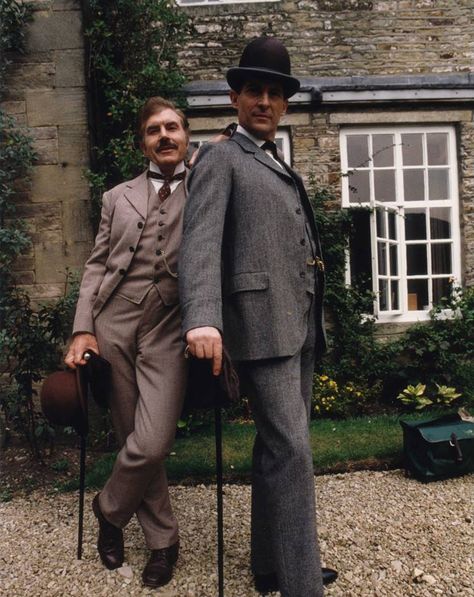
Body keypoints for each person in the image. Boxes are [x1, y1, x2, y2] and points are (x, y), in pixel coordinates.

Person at [179, 37, 337, 596]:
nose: (264, 101)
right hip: (260, 327)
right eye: (254, 91)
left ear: (284, 103)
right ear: (234, 98)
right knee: (292, 450)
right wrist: (202, 318)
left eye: (274, 93)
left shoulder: (270, 157)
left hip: (297, 324)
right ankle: (300, 584)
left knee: (277, 449)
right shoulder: (220, 157)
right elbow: (198, 244)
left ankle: (272, 565)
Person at [65, 96, 189, 589]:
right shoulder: (117, 196)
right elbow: (97, 264)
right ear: (143, 141)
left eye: (173, 127)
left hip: (168, 323)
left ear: (185, 134)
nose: (164, 136)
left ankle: (109, 508)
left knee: (153, 439)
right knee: (129, 433)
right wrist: (83, 325)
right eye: (154, 130)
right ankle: (164, 543)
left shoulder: (205, 184)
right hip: (112, 321)